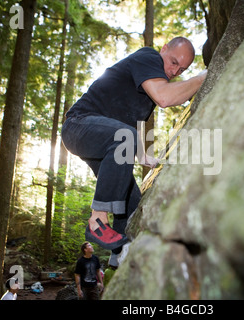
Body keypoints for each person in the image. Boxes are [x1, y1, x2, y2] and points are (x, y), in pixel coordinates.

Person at [61, 37, 207, 257]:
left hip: (104, 140)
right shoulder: (148, 57)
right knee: (124, 136)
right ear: (163, 49)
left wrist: (142, 154)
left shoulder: (146, 89)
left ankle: (121, 255)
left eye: (182, 69)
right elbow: (165, 98)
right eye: (173, 62)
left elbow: (130, 123)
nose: (175, 71)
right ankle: (98, 220)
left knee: (132, 202)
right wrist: (202, 78)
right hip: (78, 125)